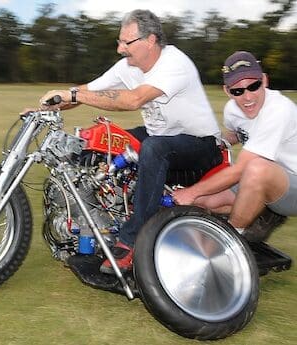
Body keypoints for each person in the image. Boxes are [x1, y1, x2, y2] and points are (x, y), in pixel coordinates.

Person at [39, 9, 222, 274]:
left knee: (154, 149)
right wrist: (50, 107)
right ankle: (97, 217)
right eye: (119, 41)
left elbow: (133, 100)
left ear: (150, 40)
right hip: (161, 135)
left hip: (201, 144)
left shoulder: (174, 63)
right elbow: (88, 92)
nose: (119, 49)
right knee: (104, 140)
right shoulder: (128, 66)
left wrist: (72, 93)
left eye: (127, 42)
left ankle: (132, 240)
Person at [172, 51, 297, 239]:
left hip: (291, 184)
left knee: (255, 168)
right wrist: (210, 142)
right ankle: (259, 212)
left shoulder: (279, 110)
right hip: (258, 177)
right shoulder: (232, 110)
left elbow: (240, 170)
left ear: (264, 80)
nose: (247, 97)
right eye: (237, 91)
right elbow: (237, 134)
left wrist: (191, 191)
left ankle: (230, 241)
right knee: (203, 201)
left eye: (253, 86)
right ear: (227, 91)